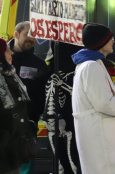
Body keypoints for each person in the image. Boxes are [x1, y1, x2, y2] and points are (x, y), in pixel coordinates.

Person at [71, 23, 115, 174]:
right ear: (101, 42)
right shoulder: (91, 66)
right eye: (110, 38)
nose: (113, 42)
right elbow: (104, 102)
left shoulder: (91, 64)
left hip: (99, 131)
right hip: (99, 134)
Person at [8, 21, 49, 174]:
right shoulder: (3, 60)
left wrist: (36, 115)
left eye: (35, 36)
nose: (31, 39)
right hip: (5, 124)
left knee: (26, 164)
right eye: (27, 34)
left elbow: (44, 94)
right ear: (17, 34)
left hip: (28, 123)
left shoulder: (39, 64)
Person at [43, 42, 83, 174]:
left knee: (72, 160)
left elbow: (76, 93)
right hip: (53, 119)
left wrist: (62, 84)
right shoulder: (50, 74)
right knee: (60, 162)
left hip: (67, 119)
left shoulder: (72, 74)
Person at [0, 38, 38, 174]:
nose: (11, 53)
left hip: (13, 149)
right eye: (7, 50)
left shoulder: (9, 76)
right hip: (4, 150)